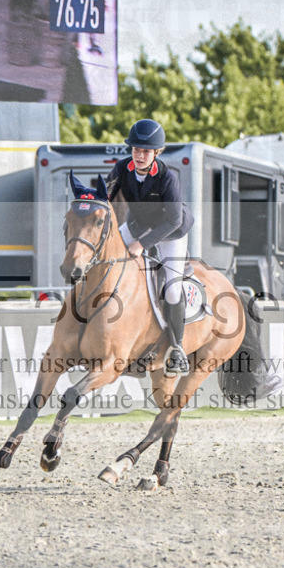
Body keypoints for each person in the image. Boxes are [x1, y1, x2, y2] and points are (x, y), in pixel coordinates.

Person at [106, 119, 195, 376]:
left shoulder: (167, 178)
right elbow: (106, 194)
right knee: (109, 259)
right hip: (139, 224)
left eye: (146, 151)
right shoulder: (122, 168)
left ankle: (177, 349)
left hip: (171, 232)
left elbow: (174, 220)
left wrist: (141, 244)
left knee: (172, 290)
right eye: (136, 150)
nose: (140, 155)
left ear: (157, 153)